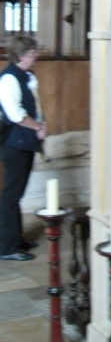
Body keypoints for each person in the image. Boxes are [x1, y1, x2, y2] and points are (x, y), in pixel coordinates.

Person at [0, 36, 47, 261]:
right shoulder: (9, 79)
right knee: (11, 195)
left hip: (24, 143)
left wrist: (41, 123)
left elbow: (34, 106)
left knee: (16, 195)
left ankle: (16, 240)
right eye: (32, 52)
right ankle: (7, 247)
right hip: (13, 145)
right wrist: (37, 126)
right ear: (21, 56)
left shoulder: (27, 76)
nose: (36, 55)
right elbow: (15, 114)